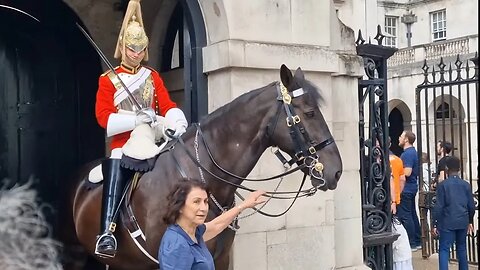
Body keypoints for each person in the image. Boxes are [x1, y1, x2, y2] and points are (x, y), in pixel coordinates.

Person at [94, 0, 188, 258]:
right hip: (124, 144)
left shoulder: (152, 76)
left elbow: (167, 104)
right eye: (131, 48)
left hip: (153, 138)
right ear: (122, 47)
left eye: (140, 49)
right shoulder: (108, 80)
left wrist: (177, 121)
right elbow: (104, 118)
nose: (135, 53)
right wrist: (135, 119)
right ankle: (107, 232)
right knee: (115, 160)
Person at [158, 180, 266, 270]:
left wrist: (244, 205)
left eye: (205, 202)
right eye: (196, 202)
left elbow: (216, 225)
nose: (203, 208)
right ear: (180, 206)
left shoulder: (194, 232)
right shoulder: (176, 245)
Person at [431, 156, 475, 270]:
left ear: (446, 168)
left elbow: (439, 206)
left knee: (444, 249)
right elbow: (471, 205)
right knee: (462, 248)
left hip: (447, 221)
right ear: (459, 169)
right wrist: (470, 221)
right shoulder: (466, 185)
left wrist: (435, 223)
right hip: (462, 220)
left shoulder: (443, 185)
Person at [397, 130, 421, 251]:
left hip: (406, 188)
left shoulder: (407, 154)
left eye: (401, 136)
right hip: (411, 187)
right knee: (411, 214)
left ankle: (412, 242)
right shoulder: (412, 152)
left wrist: (396, 171)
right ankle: (417, 240)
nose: (399, 138)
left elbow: (407, 172)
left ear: (406, 139)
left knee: (406, 216)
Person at [389, 137, 405, 215]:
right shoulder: (398, 160)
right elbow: (402, 179)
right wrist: (398, 193)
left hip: (381, 196)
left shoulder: (380, 160)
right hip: (395, 196)